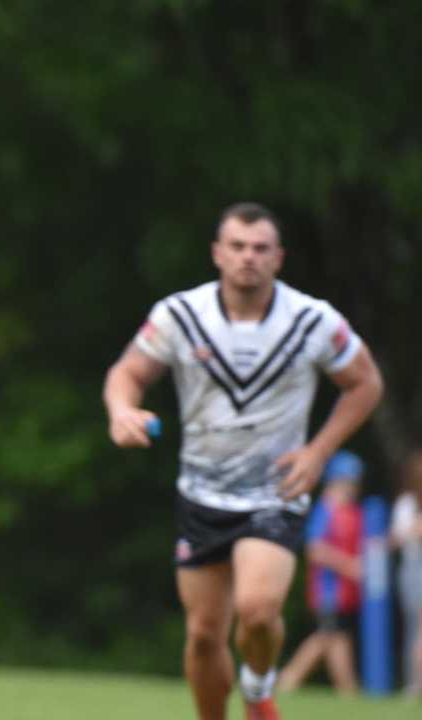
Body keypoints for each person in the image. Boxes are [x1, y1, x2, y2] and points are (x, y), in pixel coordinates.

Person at [103, 202, 383, 720]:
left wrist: (319, 452)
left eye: (259, 248)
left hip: (275, 491)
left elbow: (365, 383)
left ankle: (257, 689)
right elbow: (128, 372)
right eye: (237, 246)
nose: (248, 258)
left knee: (256, 611)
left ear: (278, 257)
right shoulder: (181, 315)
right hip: (201, 494)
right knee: (205, 636)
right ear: (217, 253)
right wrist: (122, 410)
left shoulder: (312, 320)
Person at [276, 450, 364, 695]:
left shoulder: (350, 511)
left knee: (333, 636)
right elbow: (315, 549)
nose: (353, 488)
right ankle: (294, 679)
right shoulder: (326, 510)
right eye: (349, 482)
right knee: (329, 636)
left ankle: (342, 688)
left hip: (344, 591)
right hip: (328, 588)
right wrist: (349, 566)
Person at [391, 449, 422, 697]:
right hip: (416, 570)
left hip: (411, 570)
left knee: (416, 630)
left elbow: (397, 538)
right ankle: (416, 685)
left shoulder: (404, 505)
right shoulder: (407, 505)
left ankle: (414, 684)